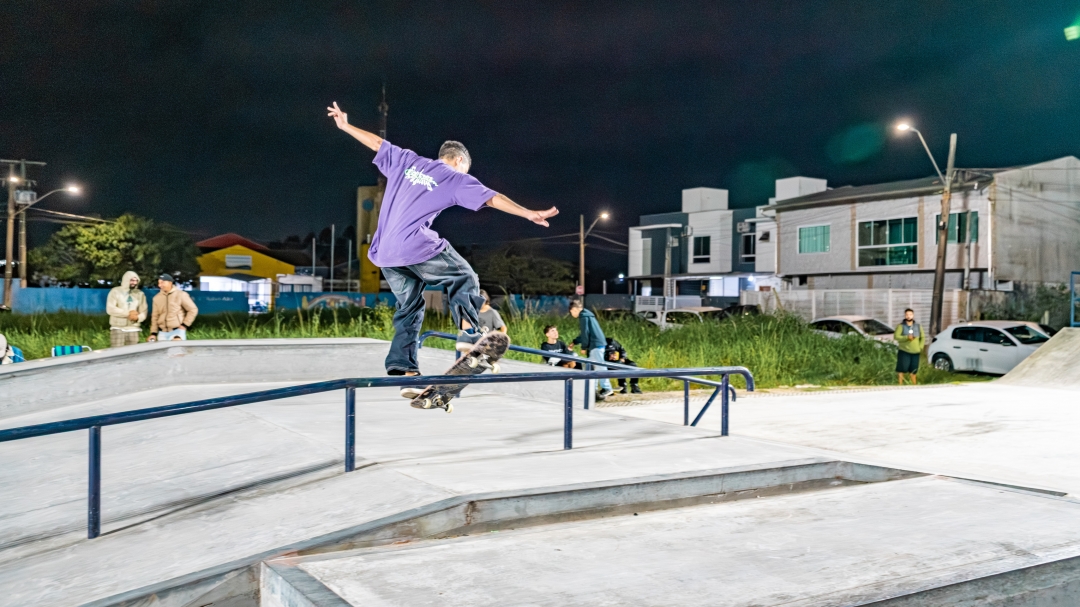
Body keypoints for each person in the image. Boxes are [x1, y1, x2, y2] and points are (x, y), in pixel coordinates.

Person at [327, 101, 558, 396]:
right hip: (413, 245)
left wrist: (345, 125)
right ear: (460, 162)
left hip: (384, 252)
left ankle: (404, 369)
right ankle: (470, 334)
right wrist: (527, 213)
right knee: (464, 275)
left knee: (409, 307)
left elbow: (376, 143)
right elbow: (492, 198)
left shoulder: (407, 160)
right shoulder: (455, 177)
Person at [569, 299, 613, 400]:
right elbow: (586, 332)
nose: (571, 314)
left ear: (575, 309)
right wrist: (575, 341)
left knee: (599, 366)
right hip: (597, 343)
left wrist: (584, 347)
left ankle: (607, 388)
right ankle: (593, 390)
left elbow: (585, 333)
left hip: (596, 345)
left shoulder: (583, 317)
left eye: (571, 312)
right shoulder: (588, 315)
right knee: (592, 367)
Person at [148, 274, 199, 342]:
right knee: (163, 353)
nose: (160, 285)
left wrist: (185, 324)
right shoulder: (156, 298)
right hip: (162, 333)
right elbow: (155, 316)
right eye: (159, 283)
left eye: (162, 282)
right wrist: (153, 333)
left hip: (177, 332)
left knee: (177, 352)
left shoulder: (181, 294)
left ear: (170, 282)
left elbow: (193, 309)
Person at [106, 271, 148, 347]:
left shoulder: (140, 294)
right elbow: (110, 308)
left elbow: (144, 311)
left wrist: (138, 318)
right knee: (117, 353)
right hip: (118, 328)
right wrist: (128, 314)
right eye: (132, 280)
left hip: (134, 328)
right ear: (126, 280)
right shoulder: (115, 291)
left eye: (136, 281)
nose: (134, 283)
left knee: (133, 354)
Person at [894, 308, 924, 385]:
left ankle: (914, 385)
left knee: (914, 370)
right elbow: (896, 337)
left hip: (915, 351)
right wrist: (906, 337)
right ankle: (900, 384)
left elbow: (922, 337)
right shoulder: (901, 326)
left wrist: (920, 347)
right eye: (907, 314)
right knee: (902, 368)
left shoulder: (918, 326)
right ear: (905, 315)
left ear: (913, 315)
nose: (908, 316)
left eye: (910, 314)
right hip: (904, 351)